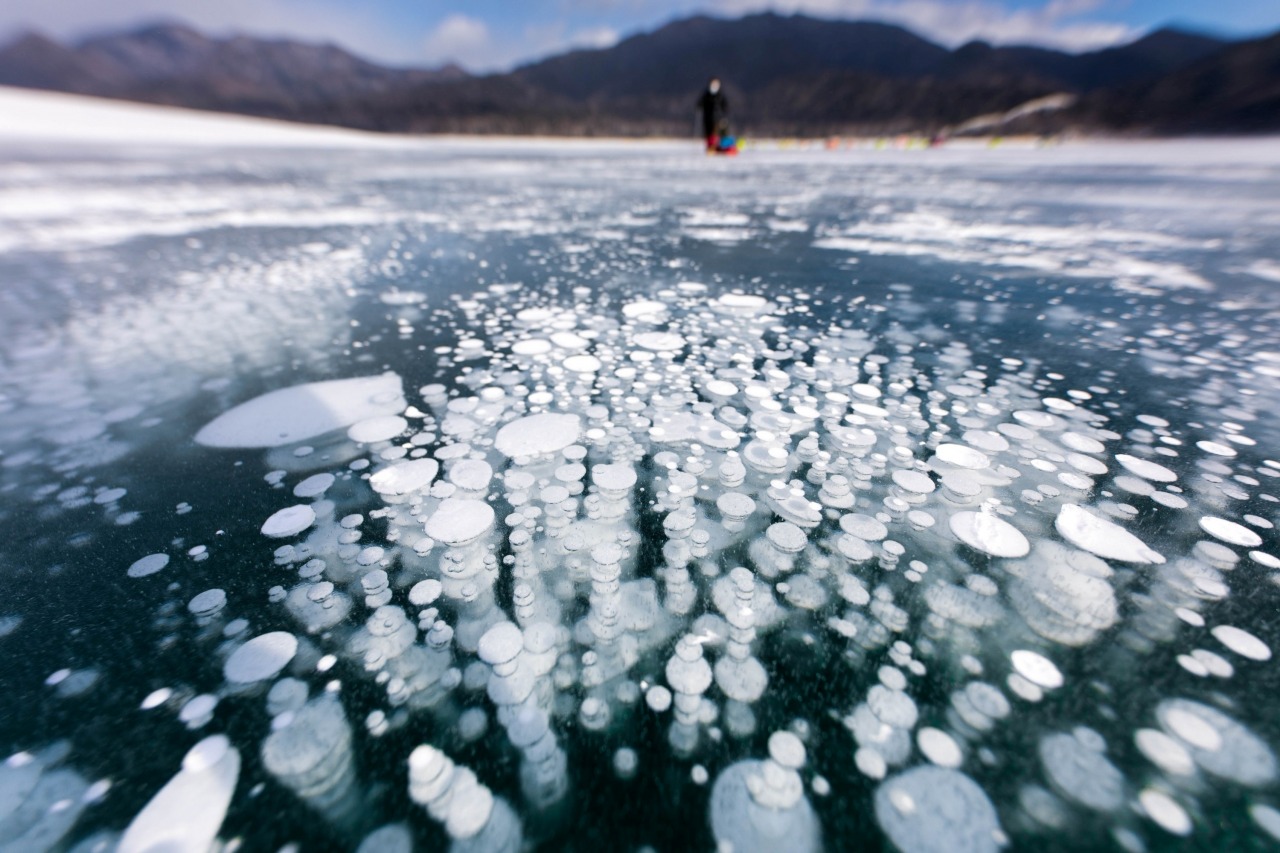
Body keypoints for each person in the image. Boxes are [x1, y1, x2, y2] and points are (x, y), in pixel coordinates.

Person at [697, 78, 733, 154]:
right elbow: (700, 103)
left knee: (719, 133)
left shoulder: (720, 95)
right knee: (709, 134)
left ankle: (720, 147)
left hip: (718, 118)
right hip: (708, 118)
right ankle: (710, 148)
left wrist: (725, 111)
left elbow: (725, 106)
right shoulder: (706, 95)